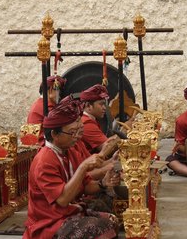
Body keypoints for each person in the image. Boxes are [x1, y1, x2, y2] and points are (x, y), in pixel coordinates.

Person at [24, 96, 120, 239]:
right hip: (48, 223)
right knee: (98, 228)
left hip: (70, 212)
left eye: (78, 130)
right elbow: (62, 200)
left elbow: (86, 185)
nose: (77, 136)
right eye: (72, 132)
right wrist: (83, 167)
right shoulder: (44, 161)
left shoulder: (68, 150)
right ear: (54, 134)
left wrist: (103, 183)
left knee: (112, 221)